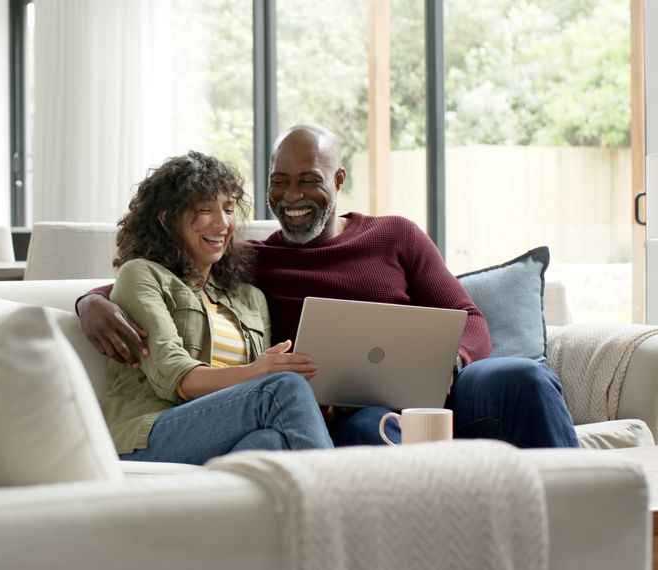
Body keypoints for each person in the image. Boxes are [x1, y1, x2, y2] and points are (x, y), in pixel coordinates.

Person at [80, 123, 579, 448]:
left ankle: (589, 518)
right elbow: (168, 281)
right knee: (369, 432)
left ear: (338, 179)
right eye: (279, 181)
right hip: (354, 414)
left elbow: (470, 319)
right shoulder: (252, 263)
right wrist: (89, 303)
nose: (292, 196)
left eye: (308, 179)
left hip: (443, 393)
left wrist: (448, 365)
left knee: (524, 379)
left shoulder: (396, 234)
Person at [100, 150, 333, 465]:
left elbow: (251, 394)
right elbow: (174, 376)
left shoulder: (250, 297)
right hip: (148, 435)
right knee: (281, 388)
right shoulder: (142, 274)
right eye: (204, 210)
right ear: (168, 219)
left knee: (270, 442)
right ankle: (345, 502)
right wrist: (255, 372)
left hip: (219, 434)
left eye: (228, 208)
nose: (222, 222)